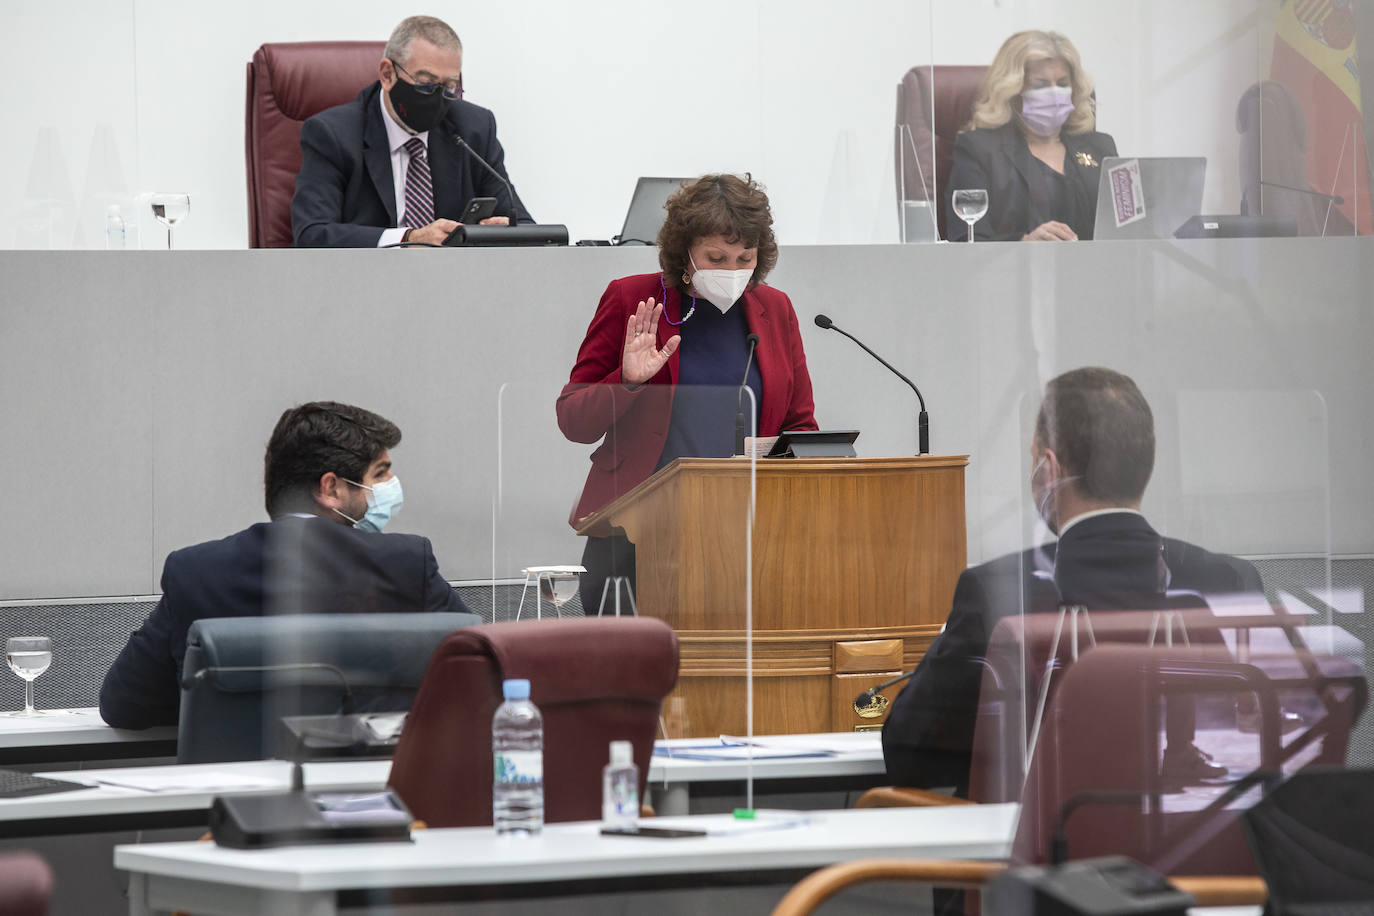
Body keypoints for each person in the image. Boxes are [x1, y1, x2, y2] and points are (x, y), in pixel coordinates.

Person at [882, 367, 1266, 798]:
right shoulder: (1229, 581)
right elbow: (1269, 739)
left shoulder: (997, 593)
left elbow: (909, 756)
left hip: (1050, 856)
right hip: (1208, 854)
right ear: (1144, 465)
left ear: (1049, 469)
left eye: (1032, 459)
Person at [99, 401, 471, 729]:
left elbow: (125, 706)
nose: (392, 484)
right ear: (330, 488)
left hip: (235, 799)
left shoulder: (197, 572)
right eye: (380, 473)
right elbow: (479, 676)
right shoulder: (403, 564)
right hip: (367, 792)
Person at [557, 174, 818, 614]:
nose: (732, 272)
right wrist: (628, 382)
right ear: (685, 253)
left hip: (744, 541)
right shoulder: (631, 299)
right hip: (635, 538)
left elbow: (801, 426)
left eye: (744, 258)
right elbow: (573, 420)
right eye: (716, 257)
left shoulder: (775, 309)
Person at [291, 15, 532, 248]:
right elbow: (312, 233)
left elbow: (525, 226)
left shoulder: (473, 129)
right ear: (387, 75)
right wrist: (408, 239)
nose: (439, 98)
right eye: (426, 84)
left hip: (453, 284)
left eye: (449, 87)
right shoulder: (333, 135)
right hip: (366, 282)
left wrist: (504, 234)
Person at [947, 31, 1116, 241]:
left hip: (1095, 272)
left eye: (1063, 84)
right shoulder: (978, 150)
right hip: (1012, 271)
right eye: (1040, 85)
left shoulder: (1100, 147)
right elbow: (967, 239)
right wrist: (1025, 243)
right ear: (1012, 90)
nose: (1054, 94)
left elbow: (1126, 231)